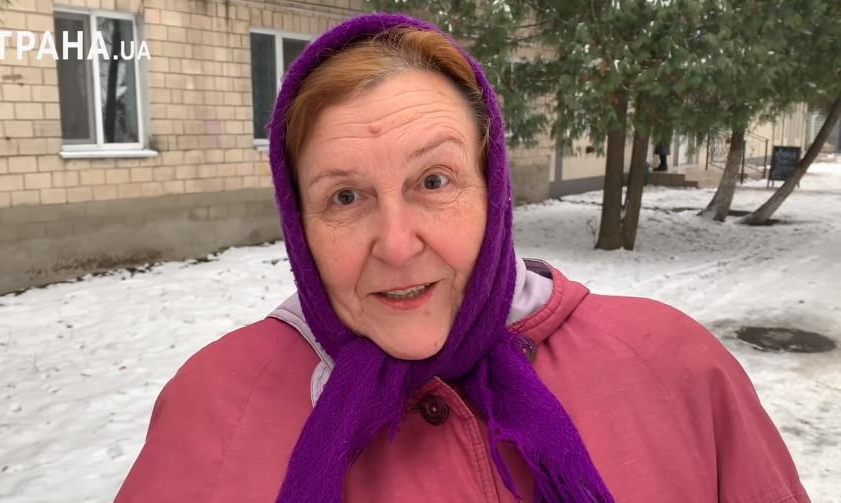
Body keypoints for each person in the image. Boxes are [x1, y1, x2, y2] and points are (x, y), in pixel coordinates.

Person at [112, 13, 810, 503]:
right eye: (345, 196)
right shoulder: (213, 409)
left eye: (434, 181)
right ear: (300, 223)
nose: (396, 244)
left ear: (491, 189)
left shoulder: (674, 369)